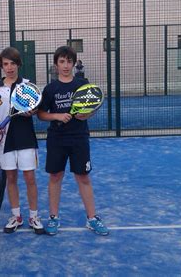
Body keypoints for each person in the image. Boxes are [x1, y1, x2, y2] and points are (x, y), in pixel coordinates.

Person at [37, 45, 109, 236]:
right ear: (56, 64)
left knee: (83, 177)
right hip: (56, 139)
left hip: (79, 138)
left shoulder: (81, 85)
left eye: (69, 61)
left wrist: (87, 115)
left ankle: (92, 218)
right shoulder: (50, 89)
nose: (66, 65)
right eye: (62, 61)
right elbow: (42, 114)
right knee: (55, 177)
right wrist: (57, 117)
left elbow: (91, 107)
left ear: (74, 63)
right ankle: (53, 218)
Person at [0, 47, 44, 234]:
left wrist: (32, 112)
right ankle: (16, 216)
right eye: (6, 64)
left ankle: (34, 216)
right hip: (4, 141)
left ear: (18, 64)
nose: (9, 67)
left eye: (13, 63)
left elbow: (35, 108)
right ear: (1, 66)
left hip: (25, 137)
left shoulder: (27, 85)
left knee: (29, 177)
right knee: (10, 177)